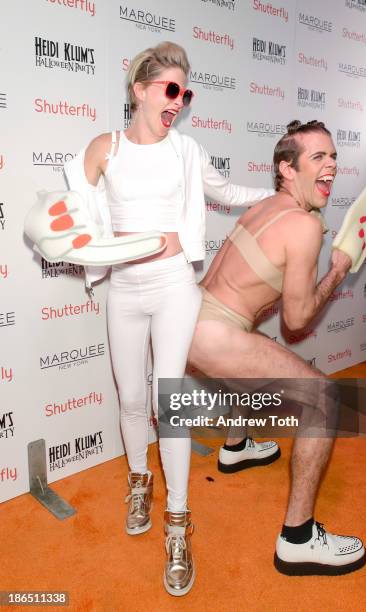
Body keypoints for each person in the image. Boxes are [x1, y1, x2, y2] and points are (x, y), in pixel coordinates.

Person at [63, 41, 275, 596]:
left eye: (186, 92)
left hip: (175, 286)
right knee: (131, 397)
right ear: (140, 90)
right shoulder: (103, 149)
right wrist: (61, 230)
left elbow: (226, 191)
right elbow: (70, 216)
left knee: (168, 398)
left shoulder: (186, 149)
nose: (179, 101)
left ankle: (178, 525)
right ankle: (140, 481)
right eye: (170, 90)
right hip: (125, 291)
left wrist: (281, 196)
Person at [188, 120, 366, 576]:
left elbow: (258, 297)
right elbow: (297, 322)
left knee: (256, 350)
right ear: (287, 169)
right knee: (323, 397)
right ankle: (298, 538)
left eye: (333, 157)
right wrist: (338, 270)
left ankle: (235, 447)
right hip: (214, 331)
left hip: (192, 317)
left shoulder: (267, 205)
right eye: (318, 158)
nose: (331, 166)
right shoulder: (304, 226)